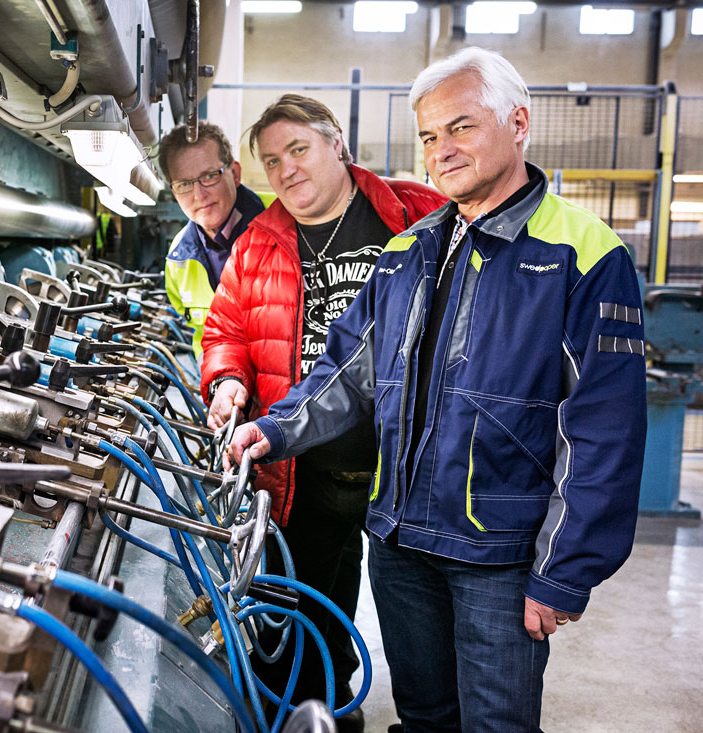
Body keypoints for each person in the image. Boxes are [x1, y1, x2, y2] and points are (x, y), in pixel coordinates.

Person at [226, 48, 646, 732]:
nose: (441, 150)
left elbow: (604, 434)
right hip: (399, 543)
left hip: (498, 557)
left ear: (518, 123)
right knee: (423, 717)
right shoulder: (408, 251)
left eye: (461, 127)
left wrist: (564, 570)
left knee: (495, 724)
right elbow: (345, 370)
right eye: (428, 136)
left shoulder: (587, 255)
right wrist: (272, 429)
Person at [200, 94, 444, 727]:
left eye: (299, 150)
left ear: (337, 142)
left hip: (410, 471)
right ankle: (326, 712)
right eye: (273, 161)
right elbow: (225, 328)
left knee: (424, 623)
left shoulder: (417, 212)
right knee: (304, 611)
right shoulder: (257, 244)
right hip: (304, 472)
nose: (287, 171)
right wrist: (227, 380)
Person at [160, 121, 268, 360]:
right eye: (185, 184)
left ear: (235, 173)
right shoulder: (178, 258)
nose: (199, 195)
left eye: (209, 176)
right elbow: (202, 335)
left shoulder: (285, 222)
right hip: (222, 387)